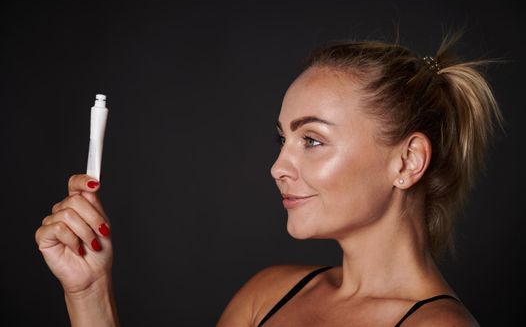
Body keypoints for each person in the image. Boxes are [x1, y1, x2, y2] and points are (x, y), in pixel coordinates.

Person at [35, 34, 502, 326]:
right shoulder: (268, 295)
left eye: (312, 140)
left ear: (408, 161)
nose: (278, 167)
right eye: (282, 139)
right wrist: (90, 292)